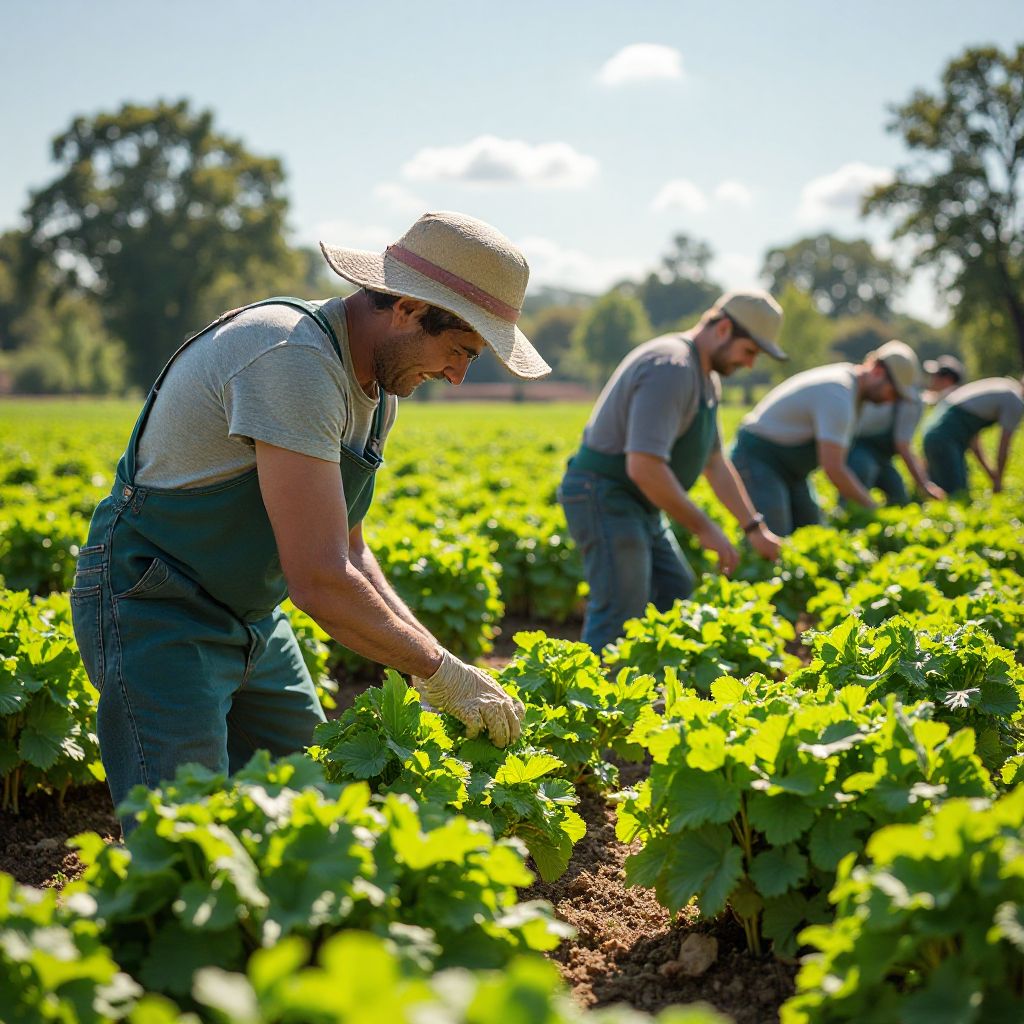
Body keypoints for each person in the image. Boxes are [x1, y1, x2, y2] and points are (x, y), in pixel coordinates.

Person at [70, 211, 542, 829]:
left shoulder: (379, 389)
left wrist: (441, 662)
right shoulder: (291, 357)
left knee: (311, 813)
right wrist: (436, 669)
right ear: (405, 307)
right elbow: (318, 578)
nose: (457, 375)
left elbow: (349, 550)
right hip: (156, 603)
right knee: (181, 843)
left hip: (250, 616)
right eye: (457, 350)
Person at [558, 290, 787, 653]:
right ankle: (594, 703)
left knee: (675, 589)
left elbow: (715, 462)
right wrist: (706, 528)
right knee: (620, 607)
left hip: (639, 503)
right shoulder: (672, 368)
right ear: (724, 328)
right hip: (603, 494)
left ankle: (652, 695)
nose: (750, 364)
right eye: (750, 352)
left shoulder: (705, 378)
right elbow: (644, 467)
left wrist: (752, 527)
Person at [730, 340, 921, 535]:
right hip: (758, 459)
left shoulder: (852, 391)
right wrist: (871, 506)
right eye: (893, 392)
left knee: (812, 529)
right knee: (773, 536)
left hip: (791, 470)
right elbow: (834, 468)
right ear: (878, 372)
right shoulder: (839, 394)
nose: (891, 401)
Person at [922, 375, 1024, 495]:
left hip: (934, 432)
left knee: (944, 489)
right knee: (956, 493)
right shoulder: (1015, 401)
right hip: (944, 438)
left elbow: (973, 439)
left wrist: (991, 475)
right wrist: (998, 481)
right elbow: (1004, 446)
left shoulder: (1005, 387)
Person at [846, 389, 945, 505]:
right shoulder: (911, 402)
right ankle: (849, 510)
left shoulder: (912, 401)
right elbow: (902, 446)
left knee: (899, 498)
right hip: (859, 447)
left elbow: (905, 445)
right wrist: (924, 485)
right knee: (863, 471)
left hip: (882, 457)